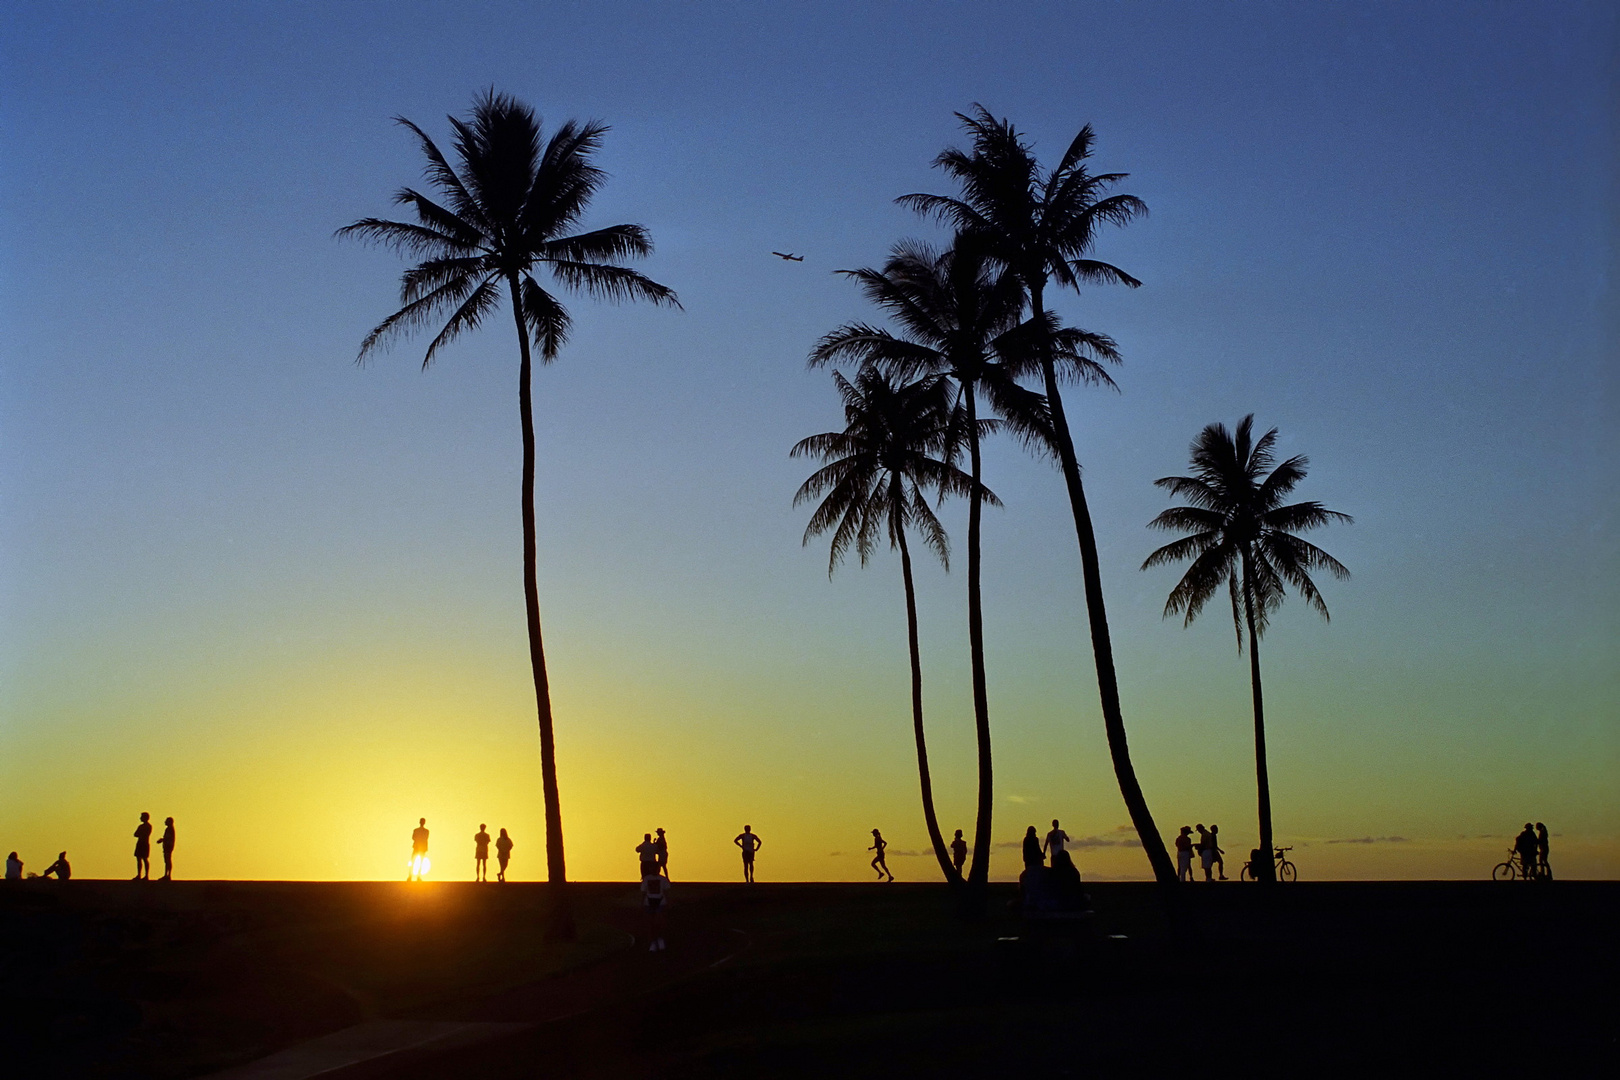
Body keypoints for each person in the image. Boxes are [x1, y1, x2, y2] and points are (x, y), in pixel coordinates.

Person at [641, 867, 669, 951]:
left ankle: (660, 940)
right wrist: (642, 902)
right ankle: (653, 942)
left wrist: (668, 902)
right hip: (649, 902)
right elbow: (643, 891)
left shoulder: (663, 879)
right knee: (651, 923)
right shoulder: (646, 879)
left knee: (659, 922)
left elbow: (667, 891)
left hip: (660, 902)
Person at [133, 812, 153, 881]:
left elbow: (143, 834)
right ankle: (139, 874)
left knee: (144, 859)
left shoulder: (148, 826)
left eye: (141, 817)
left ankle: (146, 875)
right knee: (139, 859)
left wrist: (141, 833)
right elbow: (135, 834)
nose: (140, 818)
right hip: (140, 843)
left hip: (144, 843)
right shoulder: (141, 826)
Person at [158, 817, 176, 881]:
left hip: (168, 846)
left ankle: (167, 875)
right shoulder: (169, 829)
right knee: (167, 861)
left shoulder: (170, 829)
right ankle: (167, 875)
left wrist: (162, 840)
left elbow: (168, 838)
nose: (165, 822)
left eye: (166, 821)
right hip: (167, 846)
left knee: (167, 860)